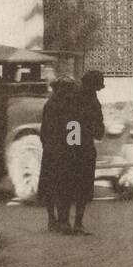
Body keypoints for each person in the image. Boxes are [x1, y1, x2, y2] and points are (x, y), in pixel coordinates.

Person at [38, 77, 80, 233]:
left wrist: (48, 146)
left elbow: (44, 132)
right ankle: (64, 222)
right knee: (65, 187)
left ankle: (52, 220)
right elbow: (74, 131)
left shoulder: (49, 105)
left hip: (50, 152)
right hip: (66, 153)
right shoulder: (72, 106)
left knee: (50, 187)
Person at [69, 70, 106, 234]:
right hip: (83, 149)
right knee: (82, 188)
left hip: (73, 147)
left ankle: (65, 222)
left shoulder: (74, 97)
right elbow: (98, 130)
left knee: (71, 186)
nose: (97, 90)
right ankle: (77, 223)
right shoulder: (90, 100)